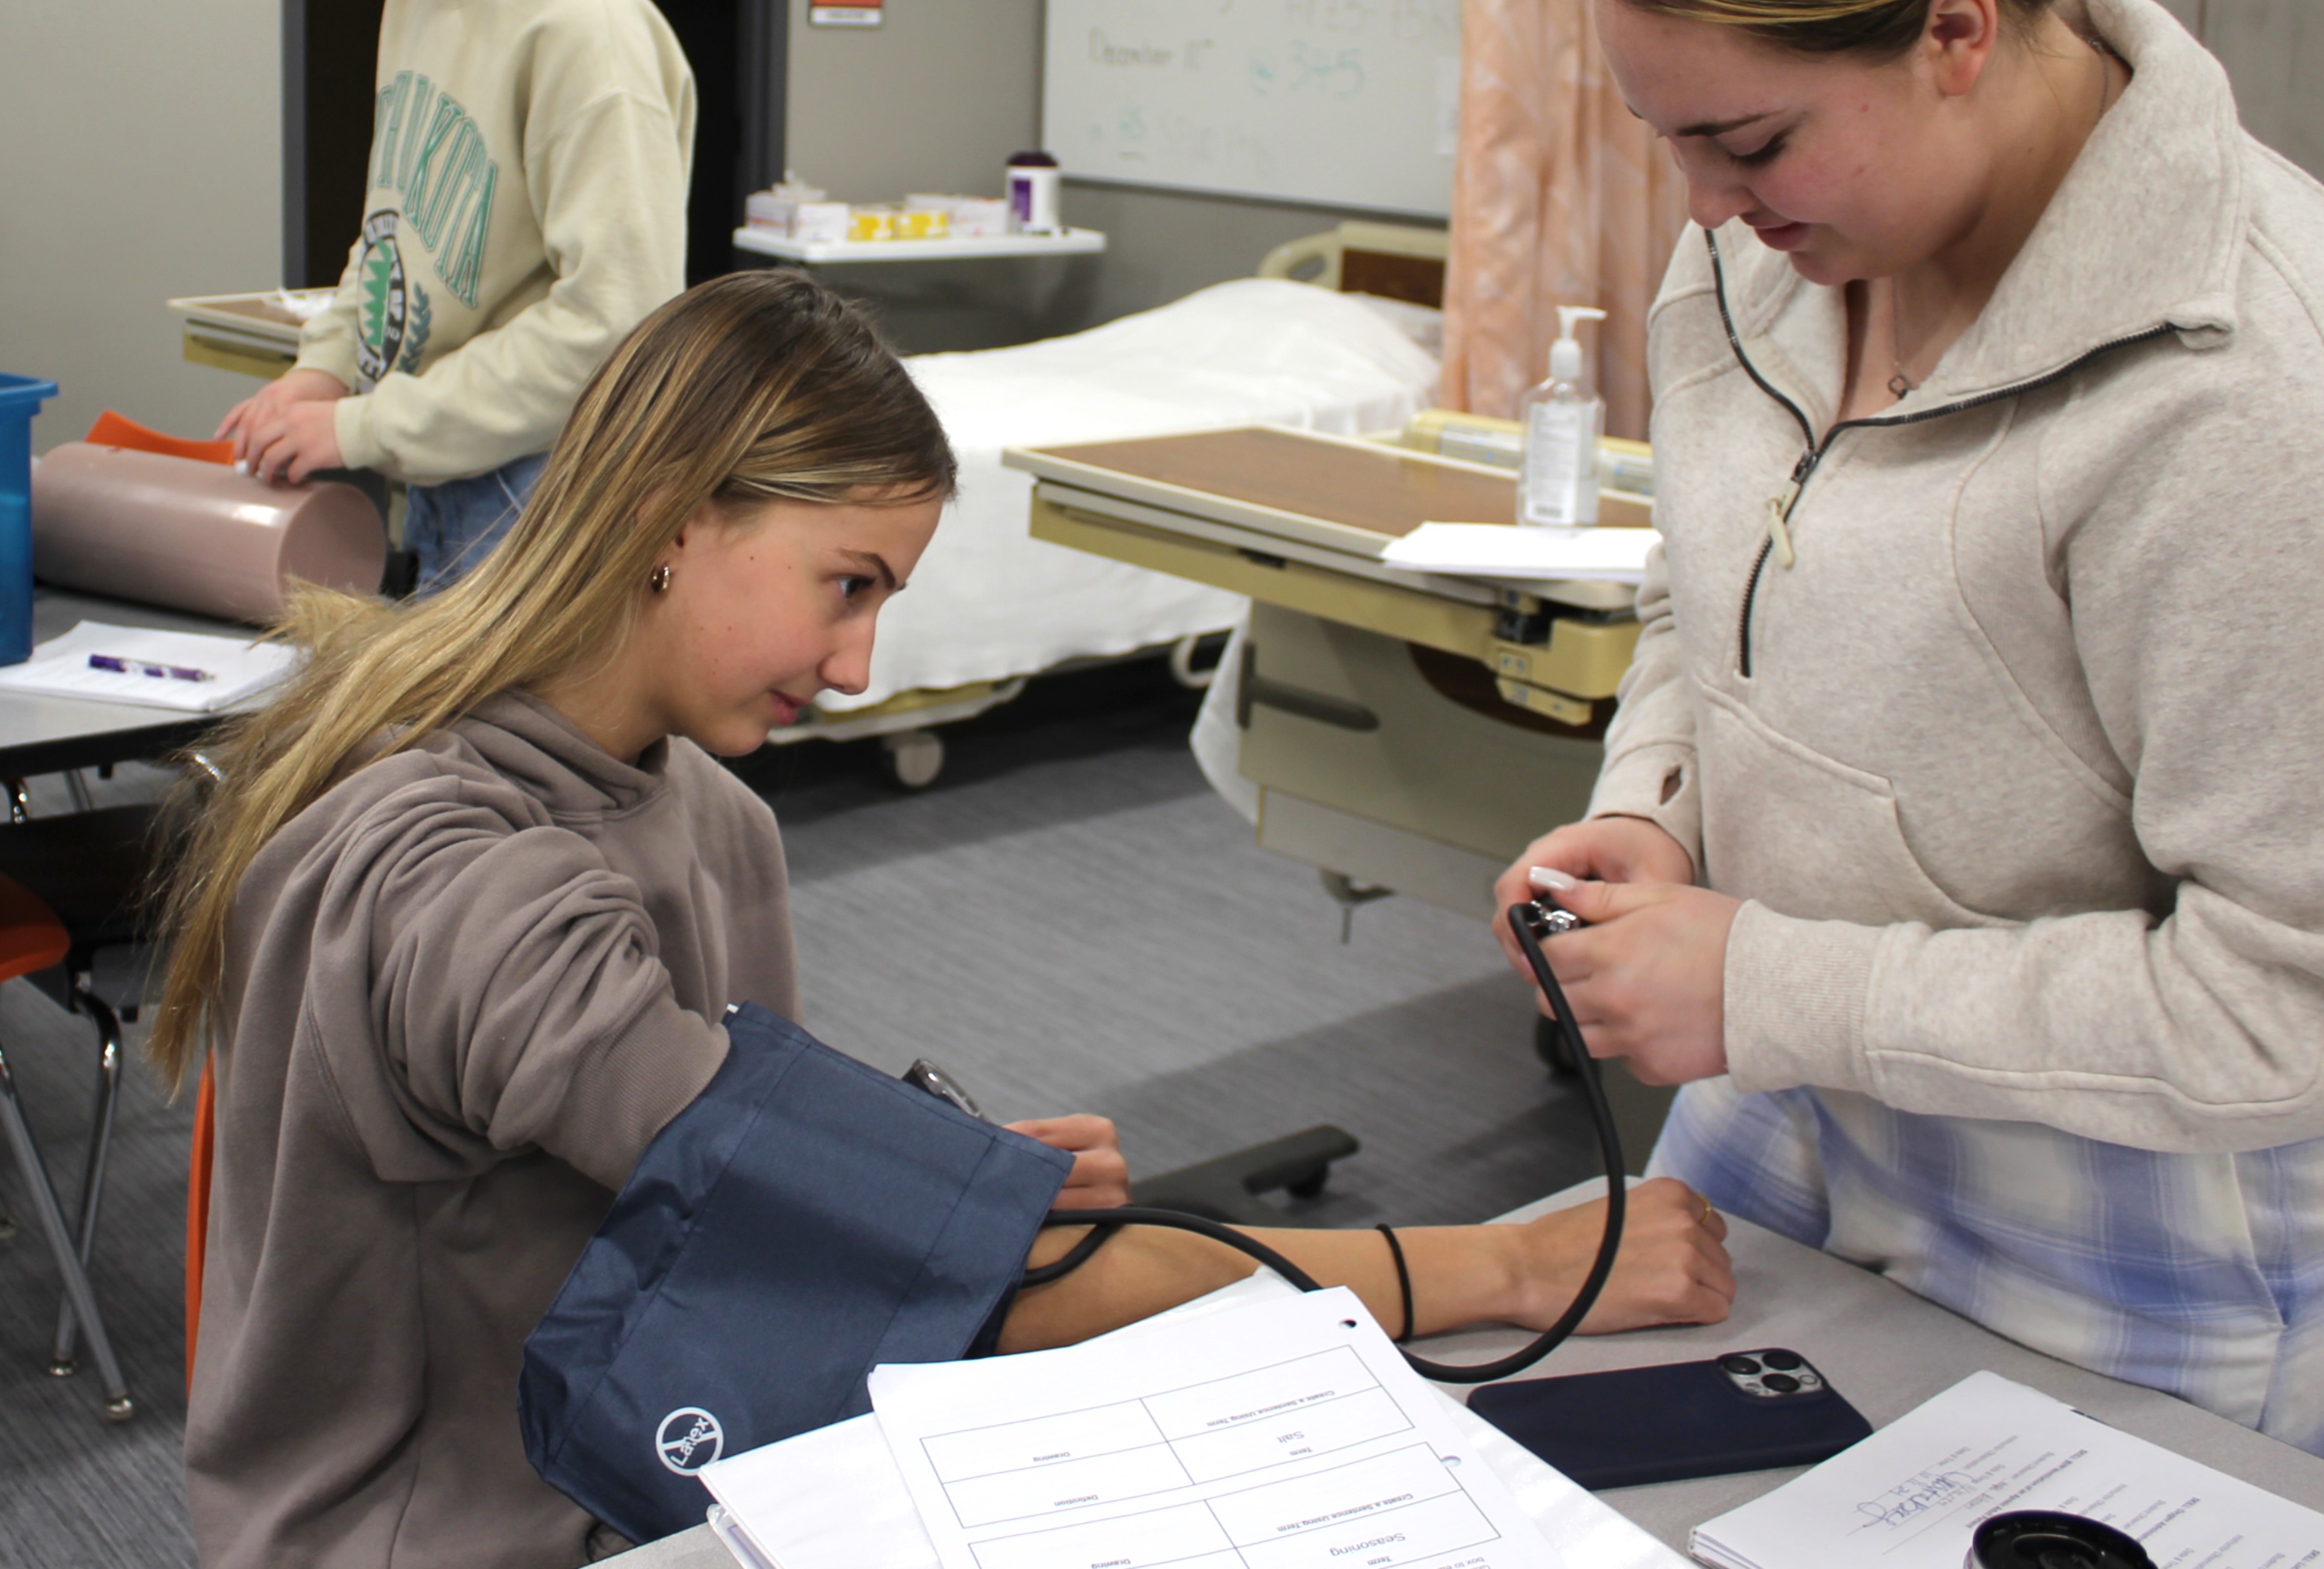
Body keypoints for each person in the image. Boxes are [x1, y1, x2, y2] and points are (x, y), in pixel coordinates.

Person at [158, 270, 1737, 1567]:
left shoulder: (707, 811)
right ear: (668, 516)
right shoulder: (464, 880)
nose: (857, 667)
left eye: (885, 602)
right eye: (845, 584)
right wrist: (1518, 1267)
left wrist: (926, 1182)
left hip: (636, 1447)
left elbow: (734, 1183)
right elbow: (908, 1275)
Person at [1490, 0, 2324, 1454]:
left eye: (1745, 142)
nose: (1705, 209)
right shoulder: (1764, 256)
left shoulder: (2249, 390)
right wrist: (1656, 806)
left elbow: (2322, 1017)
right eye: (1668, 139)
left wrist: (1765, 987)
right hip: (1790, 1088)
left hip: (2127, 1195)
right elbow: (1708, 589)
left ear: (1954, 28)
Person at [217, 0, 693, 593]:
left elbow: (614, 327)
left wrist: (361, 429)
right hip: (440, 472)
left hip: (542, 499)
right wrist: (323, 371)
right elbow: (391, 237)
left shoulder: (584, 27)